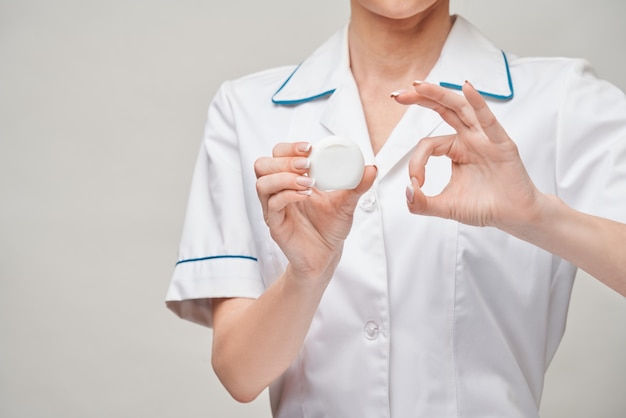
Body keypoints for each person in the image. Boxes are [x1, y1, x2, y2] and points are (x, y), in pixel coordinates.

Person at [165, 1, 626, 416]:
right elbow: (239, 376)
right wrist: (306, 276)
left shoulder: (563, 100)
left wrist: (538, 217)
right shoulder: (245, 110)